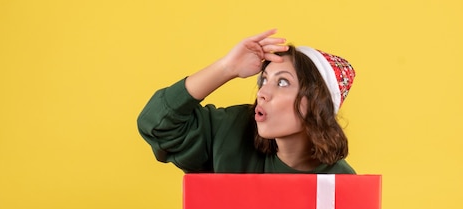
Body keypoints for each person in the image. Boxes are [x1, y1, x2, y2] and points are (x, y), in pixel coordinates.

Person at [137, 29, 357, 174]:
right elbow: (157, 122)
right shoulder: (233, 131)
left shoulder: (342, 182)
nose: (262, 93)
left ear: (317, 105)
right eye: (263, 80)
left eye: (282, 83)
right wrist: (227, 68)